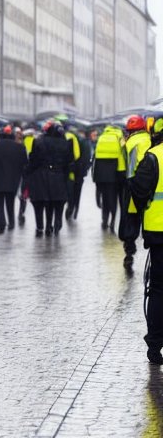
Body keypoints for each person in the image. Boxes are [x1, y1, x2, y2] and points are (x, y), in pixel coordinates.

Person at [127, 117, 163, 364]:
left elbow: (138, 190)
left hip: (158, 231)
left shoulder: (152, 156)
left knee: (159, 289)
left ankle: (154, 347)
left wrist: (146, 207)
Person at [26, 121, 74, 237]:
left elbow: (33, 160)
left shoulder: (39, 141)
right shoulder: (66, 144)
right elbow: (69, 162)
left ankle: (42, 227)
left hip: (41, 176)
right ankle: (55, 224)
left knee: (43, 202)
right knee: (57, 202)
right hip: (59, 176)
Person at [121, 115, 152, 269]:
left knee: (131, 220)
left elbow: (128, 165)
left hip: (132, 185)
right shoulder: (149, 139)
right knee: (148, 218)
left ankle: (129, 252)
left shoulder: (128, 142)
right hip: (148, 184)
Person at [0, 125, 28, 233]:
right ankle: (11, 223)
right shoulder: (20, 147)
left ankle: (1, 224)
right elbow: (25, 164)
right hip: (13, 180)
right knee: (10, 202)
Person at [92, 124, 125, 231]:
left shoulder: (101, 137)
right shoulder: (120, 137)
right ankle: (113, 221)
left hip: (101, 173)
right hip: (114, 173)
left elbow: (96, 156)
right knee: (113, 198)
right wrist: (121, 172)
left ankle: (104, 220)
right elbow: (122, 154)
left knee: (105, 198)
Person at [66, 127, 91, 220]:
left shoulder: (71, 140)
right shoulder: (85, 142)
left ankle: (70, 207)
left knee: (70, 190)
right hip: (80, 171)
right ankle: (76, 208)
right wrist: (86, 169)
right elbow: (87, 158)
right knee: (78, 190)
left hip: (72, 169)